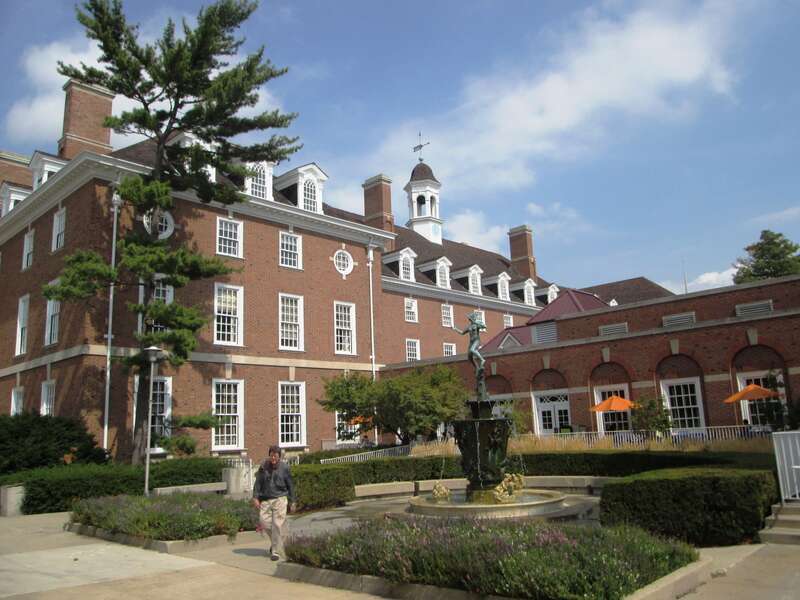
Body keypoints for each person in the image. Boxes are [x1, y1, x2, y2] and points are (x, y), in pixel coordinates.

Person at [252, 445, 296, 561]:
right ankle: (276, 543)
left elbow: (290, 485)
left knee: (277, 524)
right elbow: (258, 483)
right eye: (271, 456)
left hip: (280, 498)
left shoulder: (285, 468)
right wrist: (255, 497)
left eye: (275, 456)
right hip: (266, 499)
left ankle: (275, 552)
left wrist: (292, 501)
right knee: (264, 522)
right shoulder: (263, 467)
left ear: (279, 457)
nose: (273, 459)